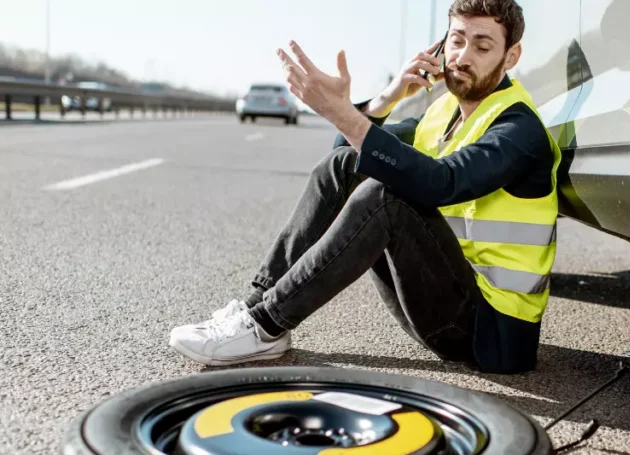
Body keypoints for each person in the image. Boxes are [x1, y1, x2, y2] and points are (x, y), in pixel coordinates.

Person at [169, 0, 561, 375]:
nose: (462, 56)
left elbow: (443, 184)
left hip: (488, 334)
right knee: (347, 166)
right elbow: (347, 156)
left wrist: (342, 113)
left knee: (385, 196)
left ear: (510, 57)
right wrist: (386, 99)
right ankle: (256, 309)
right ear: (441, 46)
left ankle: (265, 324)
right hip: (439, 303)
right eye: (456, 40)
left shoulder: (519, 129)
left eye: (483, 45)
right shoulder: (443, 112)